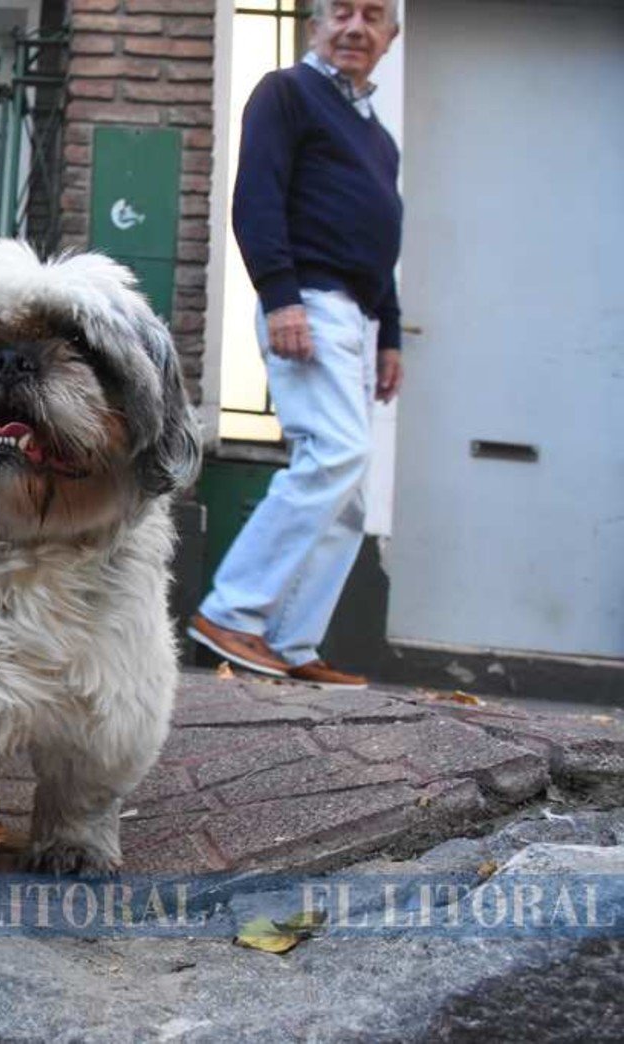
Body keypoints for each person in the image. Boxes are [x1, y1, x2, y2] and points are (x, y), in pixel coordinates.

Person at [188, 0, 404, 690]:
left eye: (373, 16)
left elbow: (379, 242)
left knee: (350, 497)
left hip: (355, 316)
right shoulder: (287, 92)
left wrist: (390, 332)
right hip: (305, 301)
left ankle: (290, 639)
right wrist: (280, 295)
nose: (354, 27)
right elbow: (255, 198)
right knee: (335, 454)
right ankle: (231, 612)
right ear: (315, 26)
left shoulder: (378, 137)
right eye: (341, 11)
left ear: (389, 38)